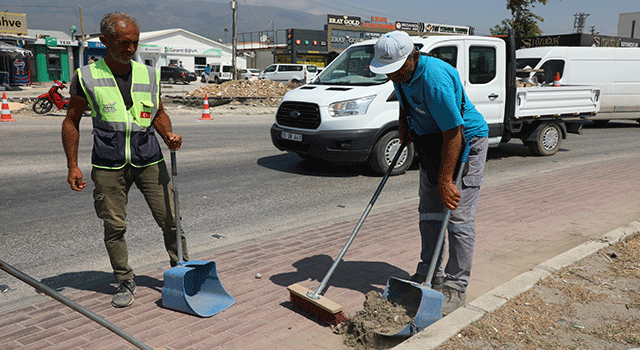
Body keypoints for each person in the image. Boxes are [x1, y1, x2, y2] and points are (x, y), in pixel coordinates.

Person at [61, 11, 189, 308]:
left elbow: (157, 113)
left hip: (149, 159)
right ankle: (124, 279)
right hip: (108, 163)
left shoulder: (149, 74)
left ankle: (182, 271)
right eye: (123, 42)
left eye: (135, 42)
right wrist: (72, 165)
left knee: (172, 219)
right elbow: (71, 121)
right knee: (114, 227)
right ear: (104, 40)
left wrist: (168, 134)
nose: (130, 49)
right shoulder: (86, 76)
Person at [370, 31, 489, 316]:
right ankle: (429, 274)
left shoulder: (434, 78)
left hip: (463, 141)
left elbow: (454, 132)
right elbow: (404, 98)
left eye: (397, 69)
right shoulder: (400, 75)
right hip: (431, 140)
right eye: (388, 72)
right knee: (429, 213)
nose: (393, 76)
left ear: (413, 57)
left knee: (456, 217)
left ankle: (455, 287)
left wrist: (445, 181)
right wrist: (404, 124)